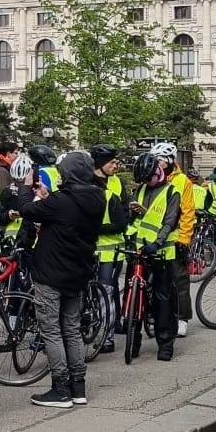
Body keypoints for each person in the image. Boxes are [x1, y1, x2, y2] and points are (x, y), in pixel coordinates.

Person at [16, 151, 105, 408]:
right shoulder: (96, 198)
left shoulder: (61, 201)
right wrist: (48, 197)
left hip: (50, 273)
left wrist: (26, 188)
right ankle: (78, 387)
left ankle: (60, 389)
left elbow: (26, 209)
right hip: (76, 273)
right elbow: (63, 214)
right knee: (72, 330)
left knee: (52, 330)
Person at [128, 152, 181, 361]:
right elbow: (133, 220)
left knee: (162, 299)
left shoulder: (171, 192)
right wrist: (132, 214)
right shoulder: (140, 190)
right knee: (132, 297)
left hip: (161, 252)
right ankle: (133, 343)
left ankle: (165, 343)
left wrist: (157, 243)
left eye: (148, 179)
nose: (146, 183)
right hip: (139, 251)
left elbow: (169, 221)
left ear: (158, 173)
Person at [150, 142, 195, 339]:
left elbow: (187, 212)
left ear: (169, 161)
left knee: (179, 280)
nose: (156, 163)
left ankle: (182, 317)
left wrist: (184, 239)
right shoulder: (151, 177)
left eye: (159, 160)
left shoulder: (182, 180)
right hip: (153, 237)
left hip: (175, 236)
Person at [89, 144, 129, 354]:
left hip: (110, 249)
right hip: (87, 248)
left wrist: (98, 228)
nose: (116, 165)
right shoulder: (85, 183)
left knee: (107, 291)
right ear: (99, 164)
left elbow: (123, 219)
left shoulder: (118, 183)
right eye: (112, 162)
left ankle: (108, 336)